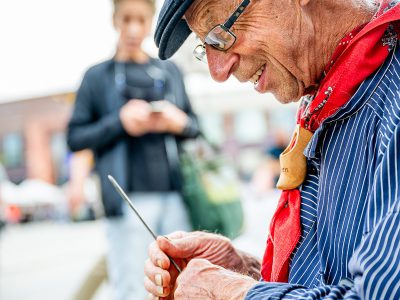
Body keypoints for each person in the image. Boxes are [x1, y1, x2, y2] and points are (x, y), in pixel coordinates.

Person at [144, 0, 400, 299]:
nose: (218, 70)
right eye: (205, 47)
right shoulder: (329, 94)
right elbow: (333, 276)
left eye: (219, 35)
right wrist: (245, 272)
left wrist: (234, 294)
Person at [67, 0, 200, 298]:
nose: (134, 28)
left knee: (185, 284)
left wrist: (178, 123)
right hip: (126, 201)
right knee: (132, 288)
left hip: (177, 196)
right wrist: (120, 122)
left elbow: (196, 127)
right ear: (115, 19)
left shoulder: (169, 72)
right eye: (126, 19)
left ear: (151, 19)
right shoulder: (96, 77)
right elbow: (75, 138)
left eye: (141, 20)